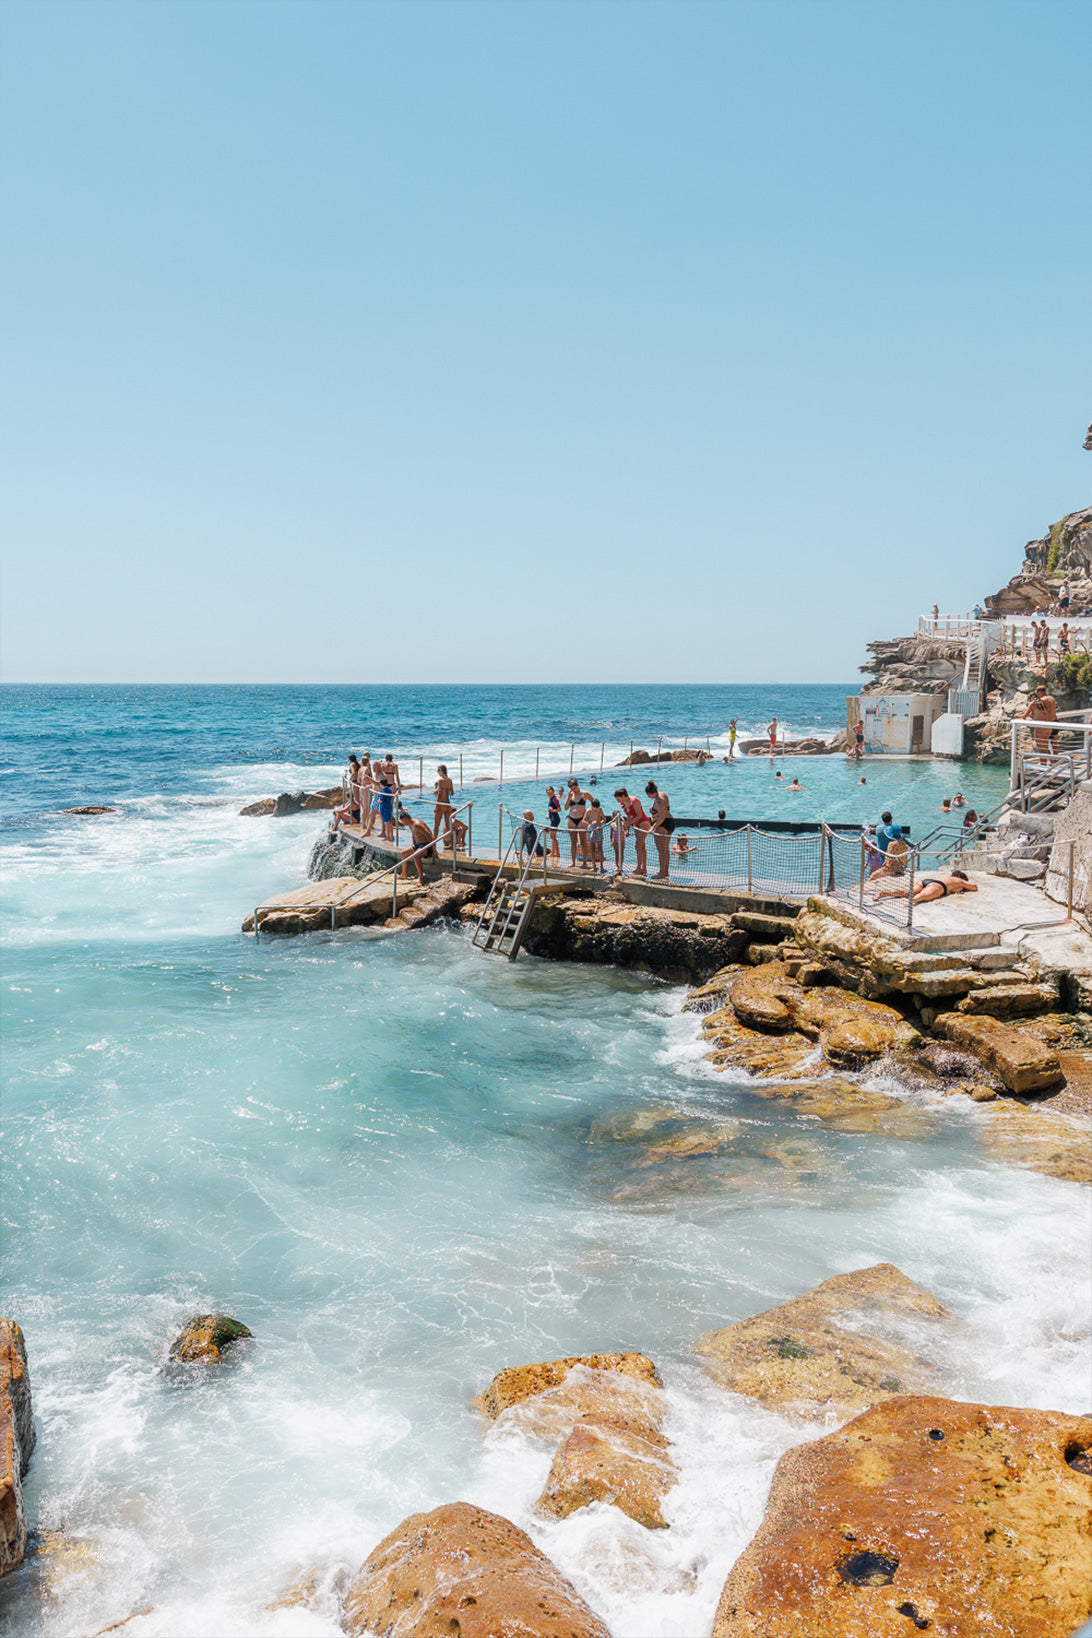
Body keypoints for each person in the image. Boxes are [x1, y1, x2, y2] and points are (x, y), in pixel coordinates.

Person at [873, 869, 978, 904]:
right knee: (923, 896)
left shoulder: (946, 878)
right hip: (939, 886)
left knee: (908, 892)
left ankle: (885, 893)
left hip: (927, 881)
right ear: (960, 877)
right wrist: (964, 886)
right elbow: (974, 887)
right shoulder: (960, 881)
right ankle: (911, 903)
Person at [614, 786, 650, 877]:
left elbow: (639, 815)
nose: (618, 802)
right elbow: (629, 816)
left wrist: (628, 823)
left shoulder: (634, 801)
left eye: (618, 799)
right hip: (635, 823)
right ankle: (643, 868)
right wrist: (628, 829)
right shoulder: (624, 803)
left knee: (638, 845)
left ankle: (639, 868)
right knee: (641, 846)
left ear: (623, 796)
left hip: (643, 822)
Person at [645, 780, 673, 881]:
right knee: (665, 849)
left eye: (648, 795)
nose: (648, 797)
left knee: (661, 850)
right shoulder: (663, 794)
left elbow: (662, 816)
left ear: (652, 793)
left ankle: (661, 873)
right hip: (670, 823)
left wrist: (653, 827)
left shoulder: (658, 801)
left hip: (662, 825)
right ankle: (665, 871)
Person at [397, 808, 435, 882]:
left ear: (409, 818)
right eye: (404, 822)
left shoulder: (417, 825)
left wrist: (434, 850)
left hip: (427, 846)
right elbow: (414, 835)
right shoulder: (410, 825)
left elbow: (430, 837)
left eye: (405, 821)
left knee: (416, 856)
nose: (405, 823)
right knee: (403, 853)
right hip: (418, 845)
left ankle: (421, 877)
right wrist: (413, 846)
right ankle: (404, 874)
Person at [1023, 683, 1058, 754]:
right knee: (1054, 746)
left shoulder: (1041, 701)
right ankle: (1056, 760)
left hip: (1046, 725)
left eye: (1037, 693)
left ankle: (1051, 760)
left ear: (1040, 692)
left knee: (1042, 746)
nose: (1037, 696)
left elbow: (1041, 714)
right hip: (1055, 722)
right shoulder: (1052, 698)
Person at [565, 779, 589, 869]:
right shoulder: (570, 794)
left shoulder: (584, 794)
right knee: (573, 842)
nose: (573, 790)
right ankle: (573, 862)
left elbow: (594, 803)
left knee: (583, 842)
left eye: (574, 788)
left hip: (581, 819)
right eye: (571, 789)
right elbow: (566, 807)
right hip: (571, 819)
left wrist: (587, 814)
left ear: (577, 785)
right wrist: (568, 798)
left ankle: (585, 862)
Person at [433, 764, 455, 850]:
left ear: (442, 771)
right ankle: (452, 844)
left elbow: (439, 795)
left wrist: (436, 806)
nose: (438, 772)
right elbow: (452, 793)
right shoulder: (450, 780)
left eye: (438, 770)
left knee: (436, 826)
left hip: (441, 803)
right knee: (449, 827)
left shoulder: (440, 780)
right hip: (448, 804)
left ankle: (433, 844)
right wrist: (446, 789)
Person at [585, 798, 606, 873]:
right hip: (591, 829)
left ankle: (602, 866)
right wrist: (591, 823)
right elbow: (584, 820)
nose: (596, 809)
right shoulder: (588, 811)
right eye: (595, 808)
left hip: (598, 828)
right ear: (592, 806)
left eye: (597, 808)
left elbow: (604, 819)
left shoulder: (600, 809)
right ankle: (593, 866)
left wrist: (600, 823)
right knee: (592, 848)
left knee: (600, 847)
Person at [545, 785, 561, 863]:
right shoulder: (551, 799)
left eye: (551, 793)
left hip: (555, 819)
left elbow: (559, 809)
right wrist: (548, 814)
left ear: (553, 792)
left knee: (552, 836)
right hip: (552, 819)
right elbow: (550, 809)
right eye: (548, 793)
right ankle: (557, 853)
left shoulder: (555, 799)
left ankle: (553, 853)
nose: (549, 794)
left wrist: (553, 810)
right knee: (553, 837)